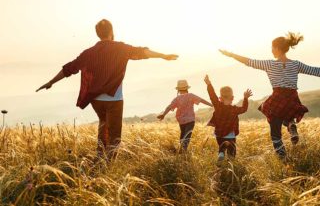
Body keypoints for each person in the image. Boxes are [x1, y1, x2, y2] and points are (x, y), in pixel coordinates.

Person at [36, 19, 178, 161]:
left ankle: (100, 157)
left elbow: (69, 68)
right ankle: (108, 165)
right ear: (111, 32)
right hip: (114, 100)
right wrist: (163, 56)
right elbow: (142, 52)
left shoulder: (89, 53)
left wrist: (51, 82)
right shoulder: (120, 48)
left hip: (96, 100)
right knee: (114, 135)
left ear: (98, 34)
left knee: (103, 126)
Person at [219, 32, 320, 159]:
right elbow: (316, 71)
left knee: (275, 133)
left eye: (272, 47)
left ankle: (283, 158)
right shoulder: (295, 64)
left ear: (276, 48)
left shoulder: (269, 64)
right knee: (287, 116)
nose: (271, 50)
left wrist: (231, 55)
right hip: (292, 97)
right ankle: (290, 125)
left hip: (277, 97)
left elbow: (249, 61)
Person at [204, 75, 252, 162]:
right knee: (231, 150)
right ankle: (230, 163)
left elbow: (212, 95)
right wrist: (245, 98)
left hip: (219, 133)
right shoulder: (234, 109)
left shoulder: (217, 106)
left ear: (220, 98)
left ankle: (221, 153)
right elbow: (244, 109)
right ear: (232, 98)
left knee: (222, 146)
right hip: (230, 133)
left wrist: (209, 84)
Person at [157, 80, 212, 151]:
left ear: (178, 90)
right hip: (190, 120)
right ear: (187, 88)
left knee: (183, 134)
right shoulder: (191, 95)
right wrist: (211, 104)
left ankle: (181, 149)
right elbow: (202, 100)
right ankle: (183, 150)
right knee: (187, 135)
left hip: (181, 121)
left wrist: (163, 114)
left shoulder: (177, 99)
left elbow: (169, 107)